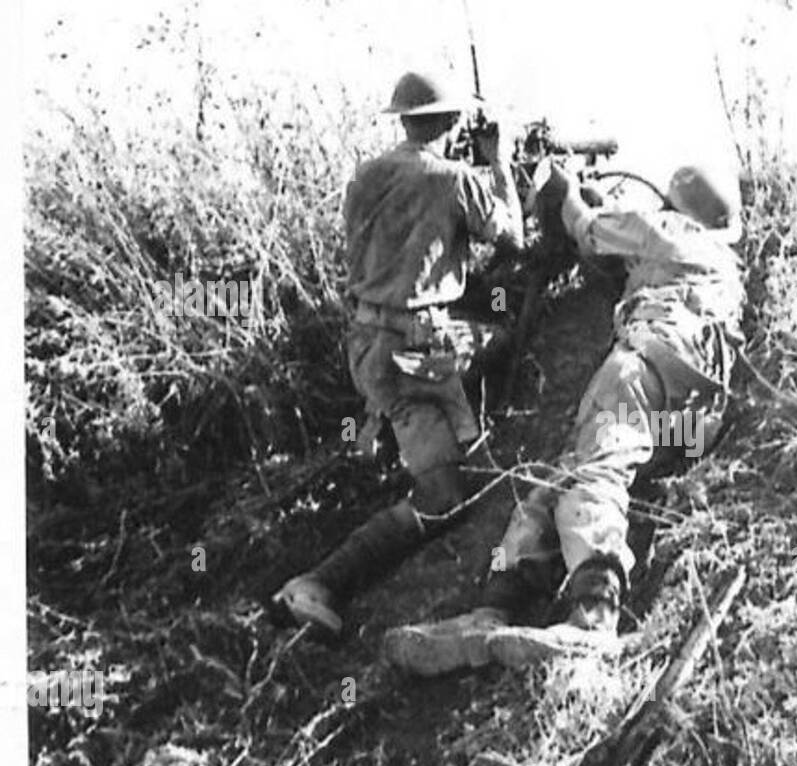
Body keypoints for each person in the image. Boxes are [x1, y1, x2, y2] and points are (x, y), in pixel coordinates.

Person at [382, 161, 744, 676]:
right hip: (690, 422)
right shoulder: (726, 272)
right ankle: (492, 612)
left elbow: (587, 229)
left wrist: (567, 190)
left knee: (590, 474)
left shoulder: (668, 230)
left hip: (642, 371)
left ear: (675, 208)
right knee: (556, 485)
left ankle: (594, 617)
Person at [272, 70, 523, 637]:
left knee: (482, 343)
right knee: (445, 495)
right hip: (416, 353)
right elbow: (514, 237)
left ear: (403, 117)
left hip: (368, 342)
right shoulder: (453, 178)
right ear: (454, 121)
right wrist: (499, 162)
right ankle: (318, 584)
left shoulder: (366, 175)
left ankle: (437, 437)